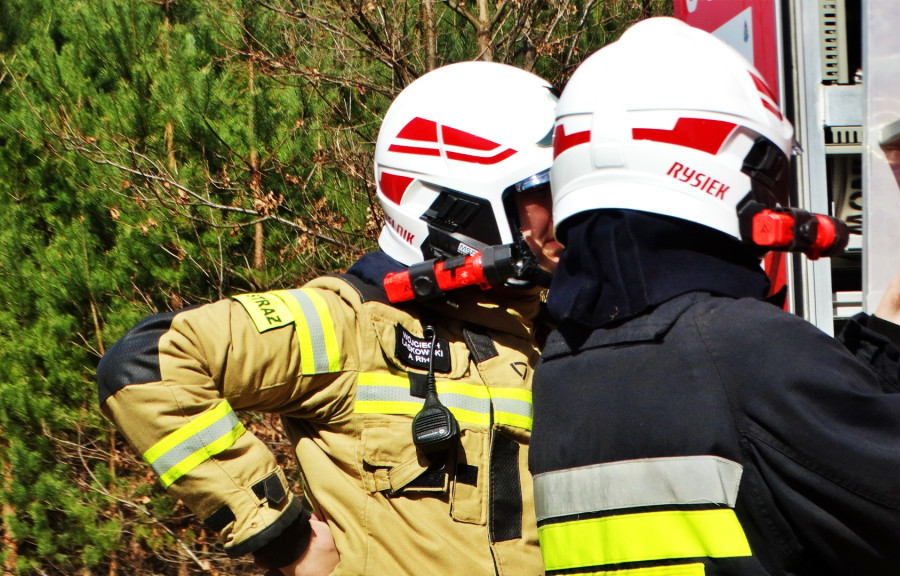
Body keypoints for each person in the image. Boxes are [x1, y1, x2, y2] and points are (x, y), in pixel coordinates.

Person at [527, 17, 900, 576]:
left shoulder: (562, 370)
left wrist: (884, 343)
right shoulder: (742, 349)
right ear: (730, 172)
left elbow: (775, 473)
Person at [96, 61, 561, 576]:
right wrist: (280, 536)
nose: (569, 211)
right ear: (455, 207)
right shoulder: (349, 324)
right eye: (544, 190)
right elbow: (146, 365)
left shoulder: (547, 335)